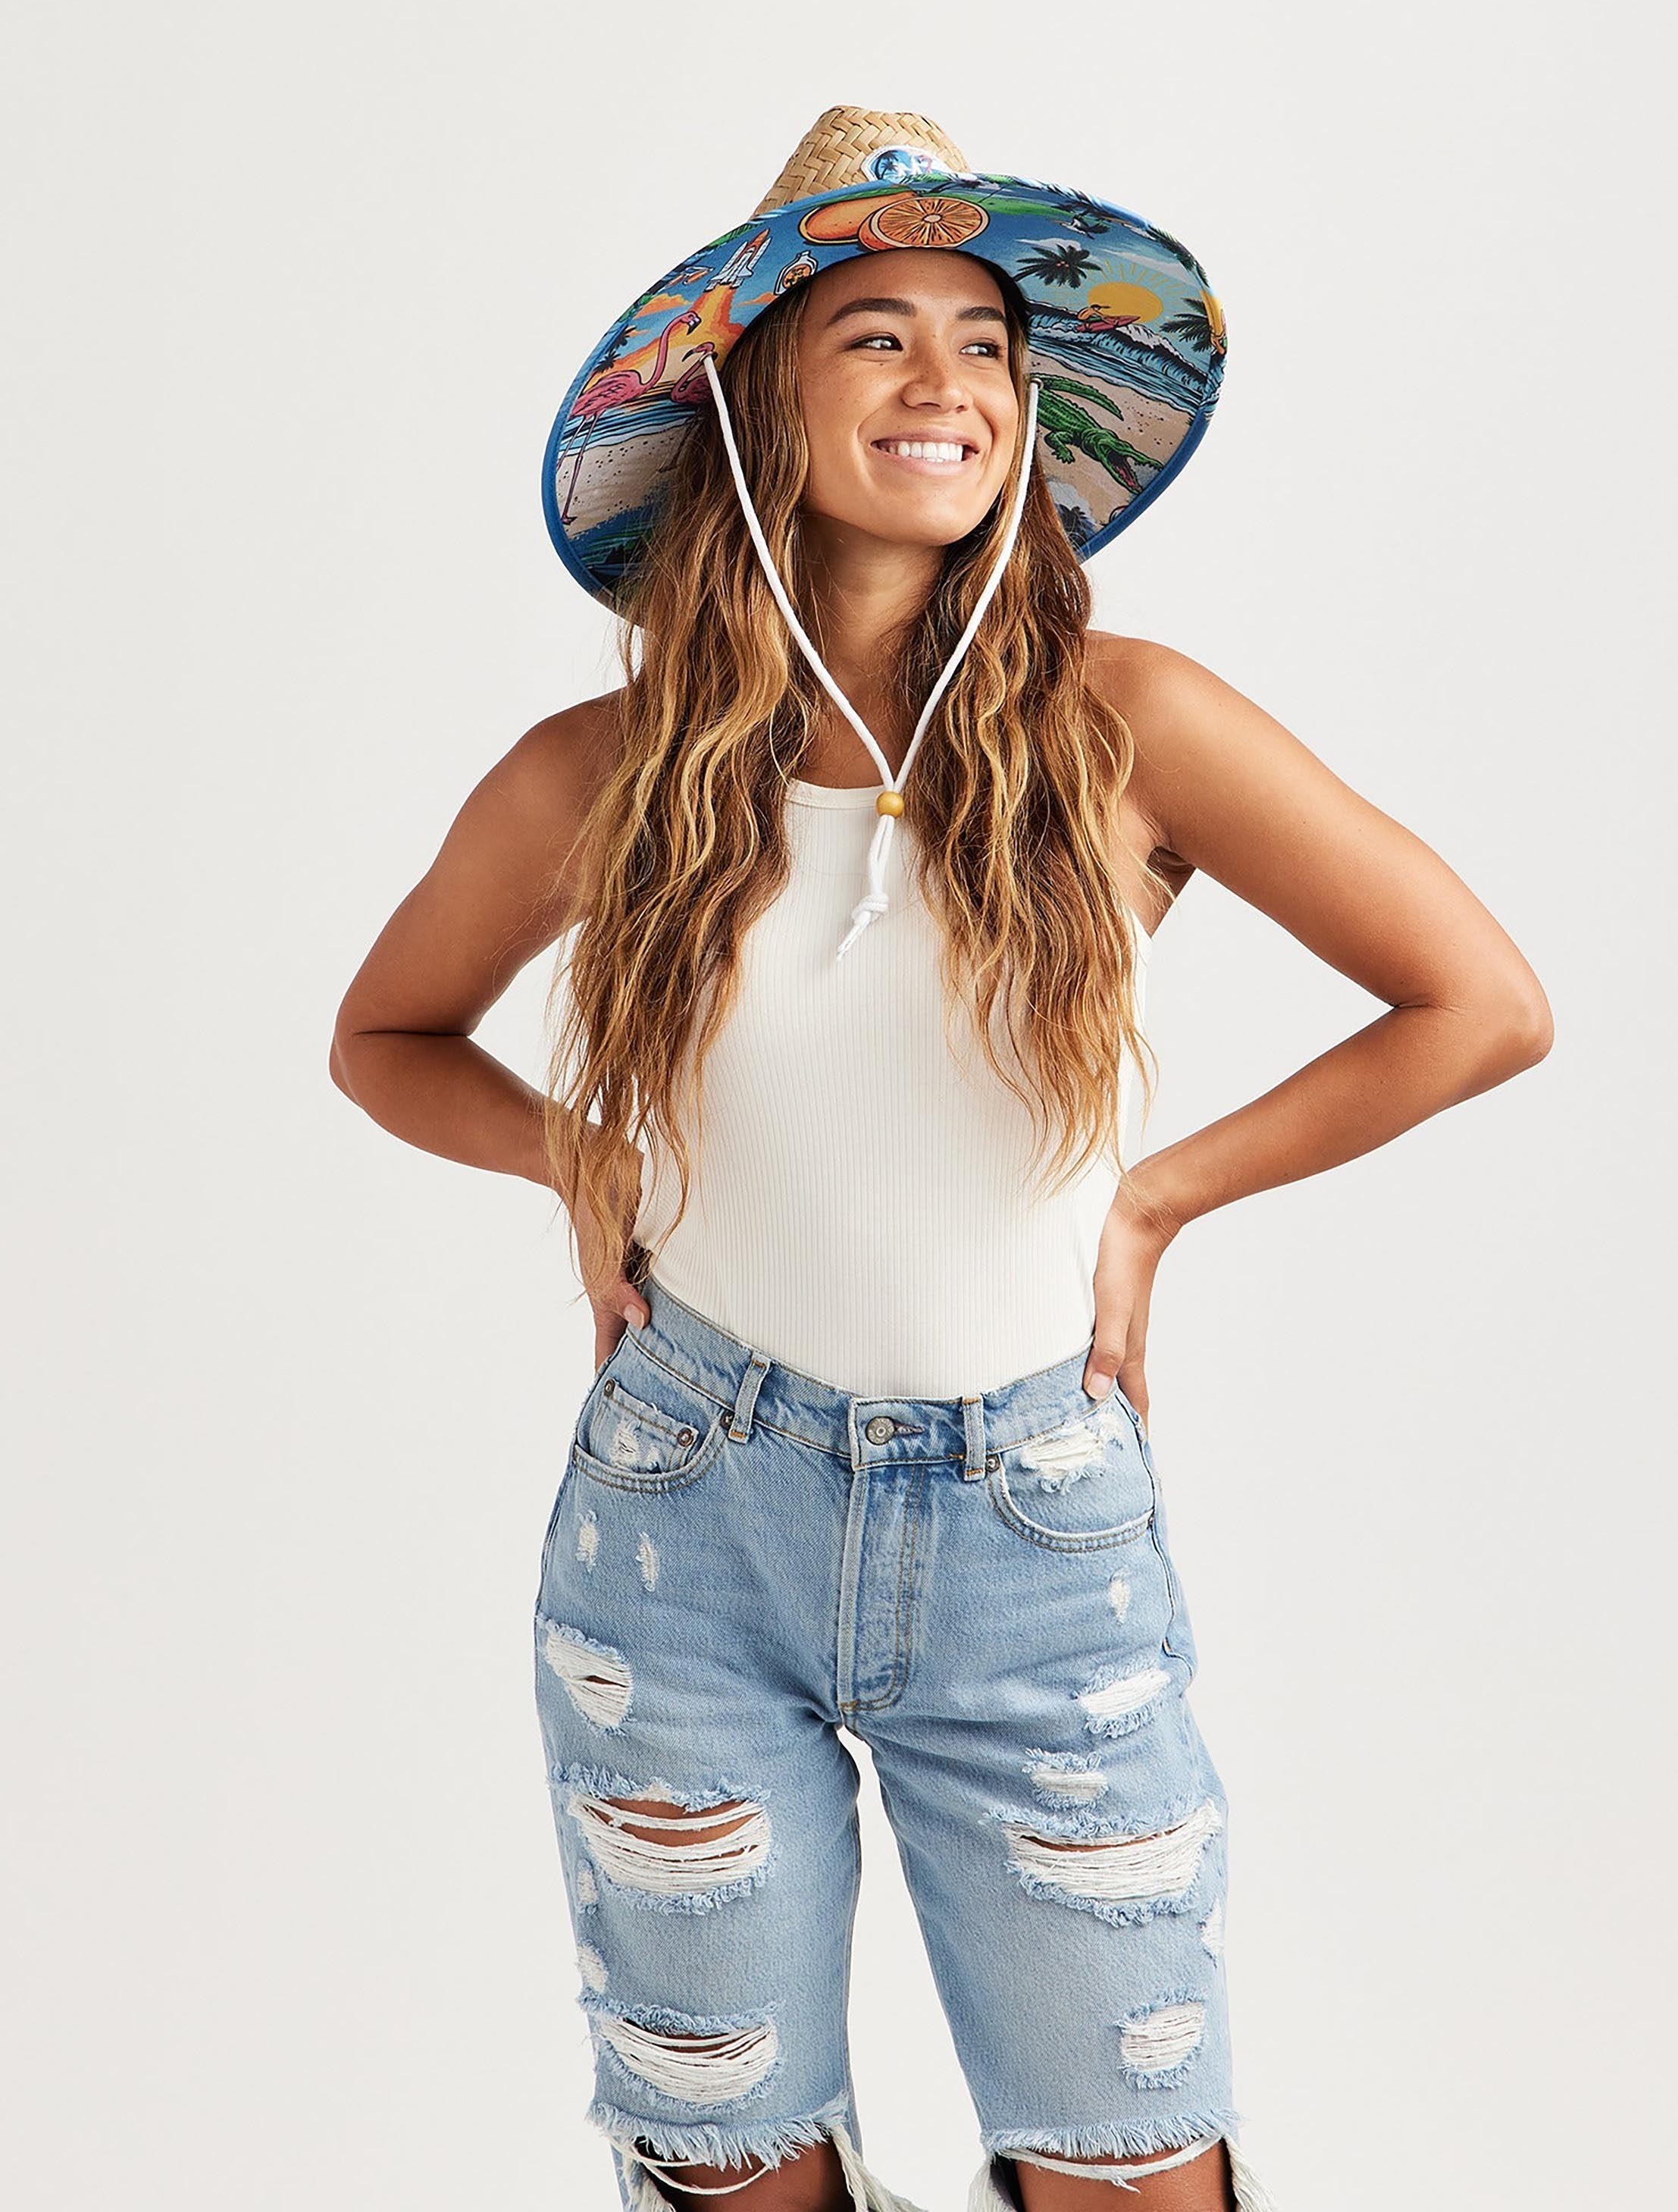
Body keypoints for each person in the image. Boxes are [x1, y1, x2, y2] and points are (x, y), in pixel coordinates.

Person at [330, 108, 1551, 2212]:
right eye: (876, 337)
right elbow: (384, 1038)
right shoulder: (603, 773)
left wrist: (1159, 1197)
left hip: (1030, 1534)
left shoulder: (1127, 724)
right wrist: (577, 1160)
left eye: (985, 346)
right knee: (731, 2168)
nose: (949, 387)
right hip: (682, 1525)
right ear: (755, 401)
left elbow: (1481, 1003)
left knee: (1132, 2166)